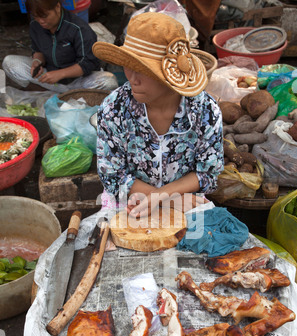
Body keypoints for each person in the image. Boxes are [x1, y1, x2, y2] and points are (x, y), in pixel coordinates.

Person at [92, 12, 223, 218]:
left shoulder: (204, 110)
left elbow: (208, 173)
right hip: (130, 201)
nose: (132, 78)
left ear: (171, 75)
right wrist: (167, 200)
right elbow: (113, 175)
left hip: (187, 201)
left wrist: (162, 196)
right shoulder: (113, 108)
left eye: (143, 70)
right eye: (129, 66)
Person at [2, 0, 118, 93]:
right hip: (49, 77)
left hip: (79, 81)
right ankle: (45, 92)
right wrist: (37, 61)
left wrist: (60, 74)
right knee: (10, 62)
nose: (41, 21)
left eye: (45, 16)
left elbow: (88, 63)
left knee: (108, 81)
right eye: (36, 16)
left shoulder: (78, 28)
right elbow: (37, 50)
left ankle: (70, 95)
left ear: (57, 7)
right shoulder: (35, 25)